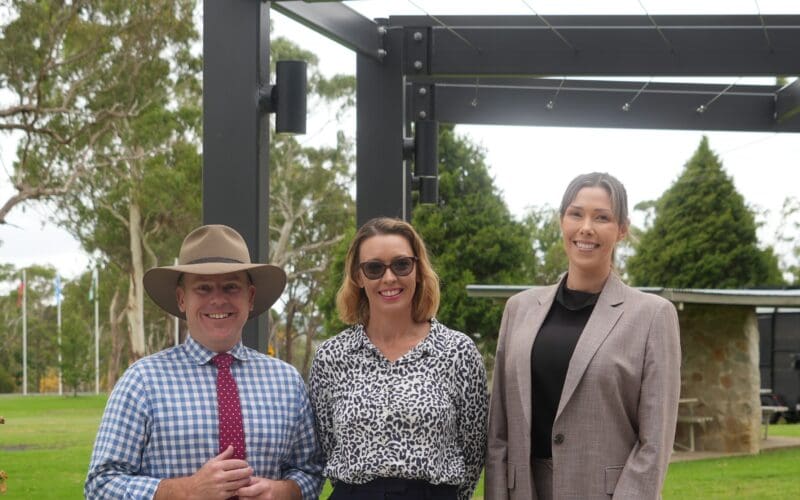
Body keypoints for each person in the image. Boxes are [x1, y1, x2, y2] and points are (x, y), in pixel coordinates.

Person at [85, 224, 323, 500]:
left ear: (251, 297)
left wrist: (280, 491)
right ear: (181, 299)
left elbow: (310, 471)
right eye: (203, 288)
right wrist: (185, 491)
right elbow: (100, 485)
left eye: (231, 287)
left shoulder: (286, 382)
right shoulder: (143, 381)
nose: (218, 300)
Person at [486, 173, 681, 500]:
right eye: (576, 214)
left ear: (622, 229)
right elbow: (499, 434)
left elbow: (655, 443)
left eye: (601, 217)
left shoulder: (652, 316)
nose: (586, 227)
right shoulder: (518, 309)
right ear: (562, 221)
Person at [309, 217, 488, 500]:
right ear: (358, 276)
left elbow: (474, 450)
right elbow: (327, 444)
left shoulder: (457, 352)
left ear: (417, 270)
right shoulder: (332, 357)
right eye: (374, 268)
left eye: (402, 264)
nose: (389, 278)